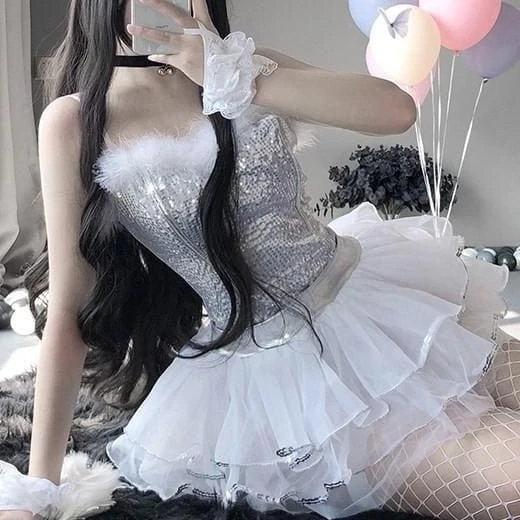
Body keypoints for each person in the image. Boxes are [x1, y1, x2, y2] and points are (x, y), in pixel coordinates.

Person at [0, 0, 518, 518]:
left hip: (383, 307)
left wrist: (235, 75)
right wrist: (39, 489)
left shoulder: (242, 64)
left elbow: (396, 110)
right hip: (294, 381)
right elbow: (70, 305)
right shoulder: (75, 121)